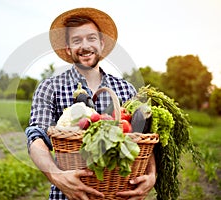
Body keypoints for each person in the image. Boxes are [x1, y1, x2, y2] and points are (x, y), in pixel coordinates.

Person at [25, 7, 156, 200]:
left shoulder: (126, 89)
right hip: (68, 196)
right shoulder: (49, 87)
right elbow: (36, 137)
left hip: (119, 193)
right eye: (77, 40)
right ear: (68, 49)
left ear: (102, 44)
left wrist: (151, 174)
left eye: (91, 38)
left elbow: (143, 139)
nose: (85, 46)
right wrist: (58, 177)